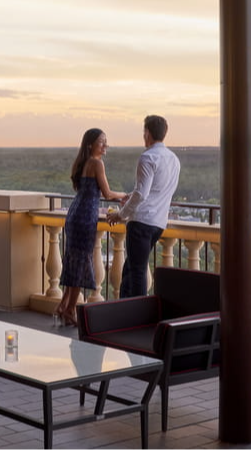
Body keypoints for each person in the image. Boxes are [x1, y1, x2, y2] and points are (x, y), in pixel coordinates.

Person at [56, 129, 125, 327]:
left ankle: (62, 306)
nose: (105, 146)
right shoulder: (96, 163)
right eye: (101, 142)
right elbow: (107, 193)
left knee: (73, 259)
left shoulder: (82, 162)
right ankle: (69, 310)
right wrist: (126, 195)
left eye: (106, 142)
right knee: (80, 262)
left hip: (75, 214)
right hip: (85, 216)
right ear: (90, 145)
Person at [107, 115, 180, 297]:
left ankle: (137, 315)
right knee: (130, 269)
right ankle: (123, 308)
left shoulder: (147, 157)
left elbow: (142, 194)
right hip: (158, 223)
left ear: (147, 133)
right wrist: (131, 197)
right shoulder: (174, 159)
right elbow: (156, 190)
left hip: (141, 222)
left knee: (137, 271)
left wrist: (120, 215)